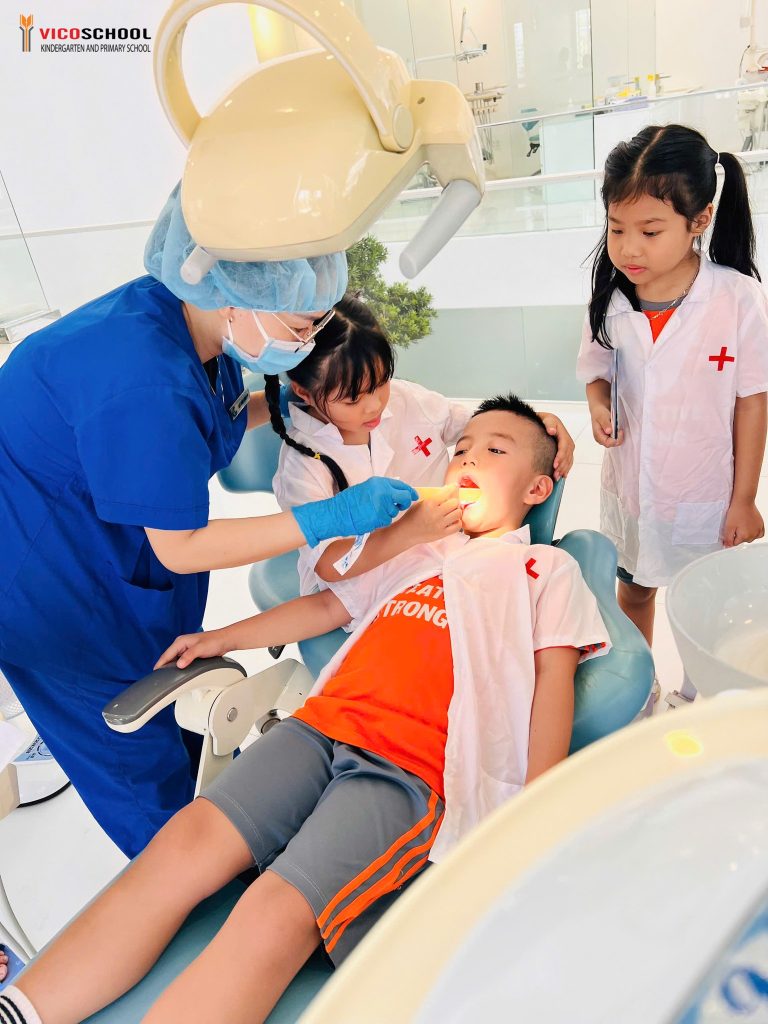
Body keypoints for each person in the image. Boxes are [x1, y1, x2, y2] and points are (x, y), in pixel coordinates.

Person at [0, 395, 608, 1020]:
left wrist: (535, 811)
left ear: (538, 488)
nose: (469, 459)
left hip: (410, 767)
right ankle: (22, 1008)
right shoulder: (411, 549)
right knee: (181, 844)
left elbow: (551, 684)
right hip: (316, 728)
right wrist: (222, 638)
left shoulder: (544, 568)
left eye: (495, 450)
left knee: (275, 909)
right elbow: (326, 606)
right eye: (462, 450)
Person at [0, 184, 417, 858]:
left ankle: (219, 828)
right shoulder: (144, 378)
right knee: (139, 769)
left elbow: (207, 417)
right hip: (50, 594)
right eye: (302, 327)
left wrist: (286, 406)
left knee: (179, 720)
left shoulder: (192, 321)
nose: (308, 342)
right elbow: (183, 546)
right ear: (237, 297)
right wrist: (331, 515)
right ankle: (189, 887)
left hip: (111, 557)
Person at [577, 124, 768, 667]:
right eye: (617, 228)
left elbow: (753, 401)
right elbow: (596, 370)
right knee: (635, 590)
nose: (628, 248)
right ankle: (640, 684)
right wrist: (598, 406)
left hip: (704, 492)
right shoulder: (611, 299)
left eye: (650, 231)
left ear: (699, 220)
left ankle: (698, 691)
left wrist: (744, 499)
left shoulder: (738, 299)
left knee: (704, 601)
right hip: (634, 487)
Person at [265, 292, 575, 596]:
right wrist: (408, 532)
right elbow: (329, 564)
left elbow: (483, 431)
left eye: (381, 382)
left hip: (439, 564)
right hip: (356, 590)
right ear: (304, 393)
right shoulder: (302, 466)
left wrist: (538, 423)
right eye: (353, 399)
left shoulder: (407, 400)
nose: (375, 406)